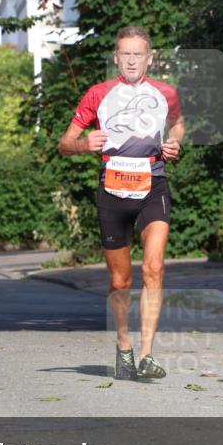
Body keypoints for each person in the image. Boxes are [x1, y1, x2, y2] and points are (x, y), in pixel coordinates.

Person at [57, 26, 185, 380]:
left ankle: (146, 354)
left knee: (155, 267)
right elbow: (64, 144)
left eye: (137, 54)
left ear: (149, 58)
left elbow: (178, 125)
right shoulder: (98, 95)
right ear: (116, 57)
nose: (131, 60)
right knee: (120, 281)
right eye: (125, 54)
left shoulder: (166, 93)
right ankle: (124, 346)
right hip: (112, 189)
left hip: (152, 185)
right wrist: (84, 144)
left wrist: (175, 143)